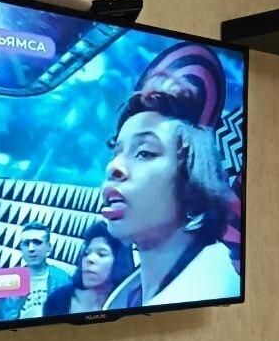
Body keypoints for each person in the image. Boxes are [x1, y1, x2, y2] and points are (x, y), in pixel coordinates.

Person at [99, 44, 241, 309]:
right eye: (116, 151)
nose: (114, 167)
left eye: (144, 152)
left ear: (192, 180)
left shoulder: (215, 283)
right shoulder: (124, 296)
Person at [0, 220, 70, 324]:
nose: (31, 248)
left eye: (37, 242)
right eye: (26, 243)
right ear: (21, 248)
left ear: (49, 247)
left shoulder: (64, 281)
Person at [43, 221, 134, 316]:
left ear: (119, 261)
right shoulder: (57, 300)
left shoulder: (132, 301)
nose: (90, 259)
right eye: (86, 253)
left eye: (101, 254)